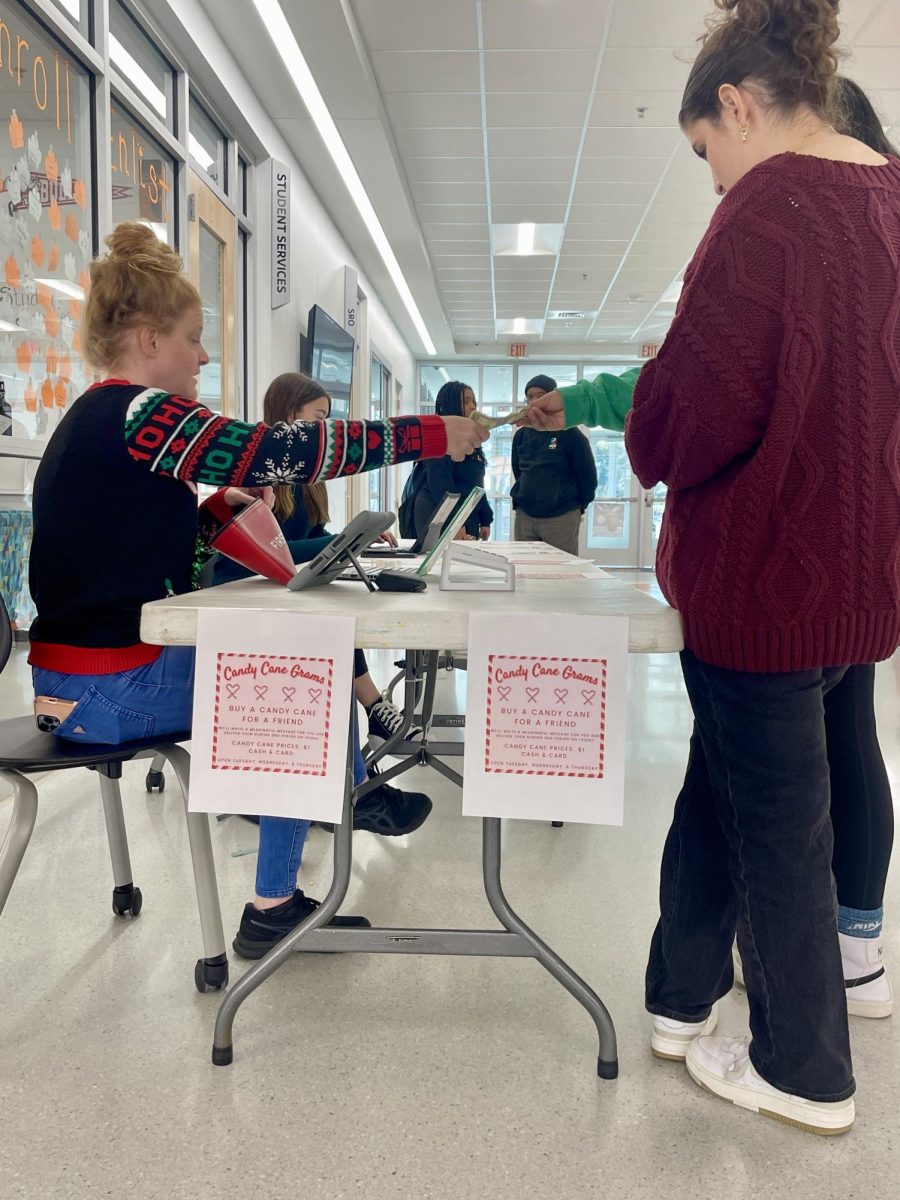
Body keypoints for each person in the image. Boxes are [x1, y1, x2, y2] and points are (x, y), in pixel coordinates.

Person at [526, 2, 900, 1134]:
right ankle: (681, 998)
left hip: (760, 580)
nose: (711, 176)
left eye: (704, 149)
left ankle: (803, 1067)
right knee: (729, 785)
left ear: (738, 105)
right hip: (855, 579)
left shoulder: (764, 213)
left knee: (781, 818)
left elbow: (674, 433)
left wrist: (649, 395)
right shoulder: (891, 204)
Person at [27, 221, 486, 959]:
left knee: (303, 671)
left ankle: (335, 819)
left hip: (65, 687)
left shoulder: (93, 419)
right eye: (192, 337)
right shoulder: (142, 412)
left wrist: (214, 518)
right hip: (110, 692)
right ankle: (283, 889)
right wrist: (430, 434)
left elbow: (122, 551)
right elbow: (277, 449)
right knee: (310, 679)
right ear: (147, 341)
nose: (204, 355)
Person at [212, 371, 423, 750]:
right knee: (330, 620)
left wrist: (353, 544)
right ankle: (374, 707)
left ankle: (373, 711)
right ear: (289, 415)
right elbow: (275, 552)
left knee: (335, 610)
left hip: (279, 588)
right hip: (242, 589)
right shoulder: (254, 473)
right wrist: (344, 543)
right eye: (318, 418)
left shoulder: (310, 476)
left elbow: (309, 542)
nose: (324, 430)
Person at [510, 374, 597, 556]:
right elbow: (519, 471)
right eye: (530, 396)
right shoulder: (521, 435)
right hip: (526, 515)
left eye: (540, 395)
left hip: (561, 516)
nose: (534, 401)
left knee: (562, 574)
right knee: (525, 571)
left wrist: (577, 507)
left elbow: (587, 476)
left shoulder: (570, 434)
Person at [410, 381, 493, 547]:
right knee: (442, 567)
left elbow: (477, 484)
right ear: (450, 404)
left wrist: (485, 519)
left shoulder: (469, 440)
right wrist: (455, 522)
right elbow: (440, 484)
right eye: (465, 401)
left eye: (474, 402)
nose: (472, 407)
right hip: (438, 511)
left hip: (465, 513)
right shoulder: (439, 437)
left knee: (464, 567)